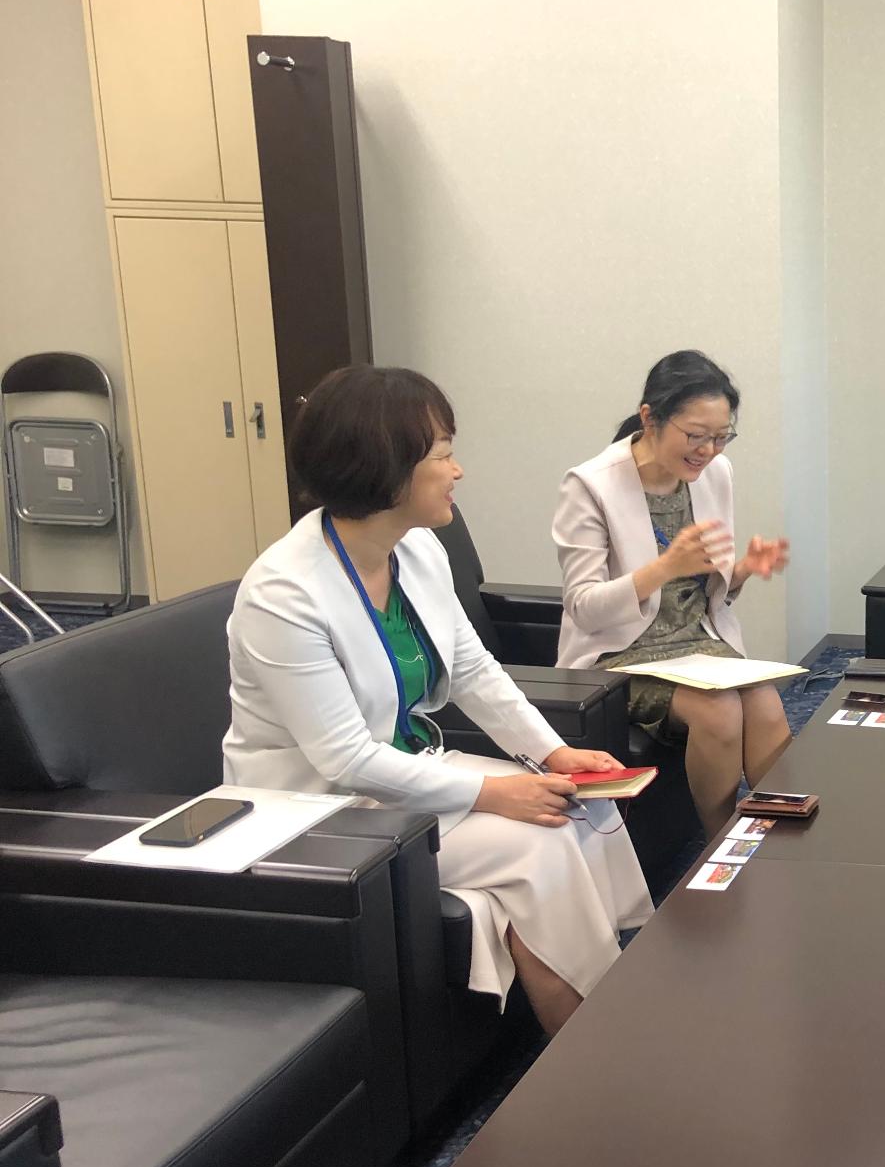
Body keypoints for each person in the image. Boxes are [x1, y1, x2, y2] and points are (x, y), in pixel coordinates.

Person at [225, 366, 650, 1035]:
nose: (459, 471)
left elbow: (473, 668)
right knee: (537, 845)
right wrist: (497, 796)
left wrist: (555, 752)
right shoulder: (284, 593)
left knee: (583, 807)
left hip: (406, 780)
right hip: (321, 814)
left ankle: (619, 998)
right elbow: (343, 759)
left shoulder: (418, 550)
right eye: (444, 454)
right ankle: (596, 1049)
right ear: (386, 469)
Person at [553, 351, 791, 836]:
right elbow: (583, 608)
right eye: (695, 435)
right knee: (720, 710)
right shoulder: (590, 485)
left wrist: (741, 570)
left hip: (696, 645)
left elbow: (707, 597)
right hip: (620, 655)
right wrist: (662, 569)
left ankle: (781, 840)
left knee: (765, 702)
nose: (707, 451)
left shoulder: (715, 475)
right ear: (650, 418)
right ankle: (719, 847)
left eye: (721, 437)